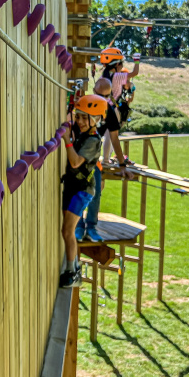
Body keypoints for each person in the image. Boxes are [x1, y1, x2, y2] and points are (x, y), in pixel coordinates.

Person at [75, 78, 134, 243]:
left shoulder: (108, 110)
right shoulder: (82, 105)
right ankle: (78, 226)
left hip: (93, 158)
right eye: (100, 96)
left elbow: (114, 138)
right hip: (77, 155)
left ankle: (91, 227)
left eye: (106, 96)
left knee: (95, 192)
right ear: (94, 91)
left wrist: (122, 165)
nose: (103, 99)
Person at [59, 94, 108, 289]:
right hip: (73, 187)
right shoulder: (84, 135)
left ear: (95, 120)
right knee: (67, 231)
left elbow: (75, 162)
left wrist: (66, 140)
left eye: (83, 117)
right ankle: (73, 269)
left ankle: (72, 272)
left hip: (82, 191)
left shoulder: (93, 141)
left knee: (67, 231)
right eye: (77, 116)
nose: (79, 121)